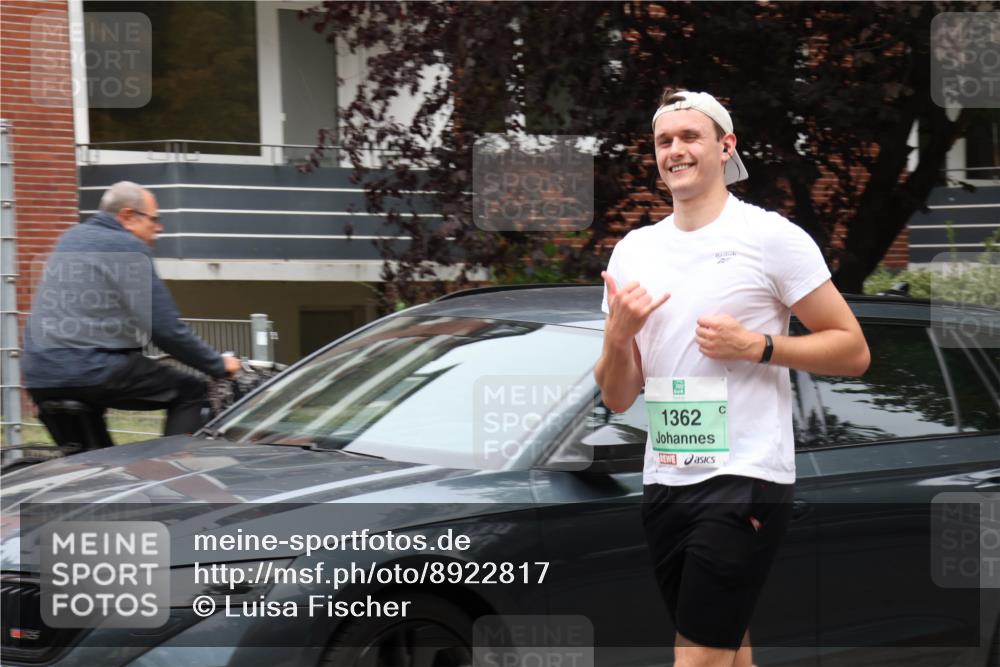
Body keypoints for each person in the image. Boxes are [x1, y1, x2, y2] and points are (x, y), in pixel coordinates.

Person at [595, 89, 870, 667]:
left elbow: (852, 350)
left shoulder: (770, 237)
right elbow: (619, 397)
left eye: (690, 136)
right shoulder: (633, 252)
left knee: (697, 657)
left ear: (726, 146)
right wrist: (619, 336)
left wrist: (757, 346)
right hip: (666, 475)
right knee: (726, 648)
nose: (676, 150)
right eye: (664, 141)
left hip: (744, 473)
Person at [22, 180, 241, 436]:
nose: (158, 228)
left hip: (40, 378)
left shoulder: (70, 238)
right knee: (193, 392)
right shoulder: (127, 246)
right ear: (127, 216)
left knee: (90, 466)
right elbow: (165, 328)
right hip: (92, 370)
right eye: (153, 219)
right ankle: (171, 473)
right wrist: (216, 363)